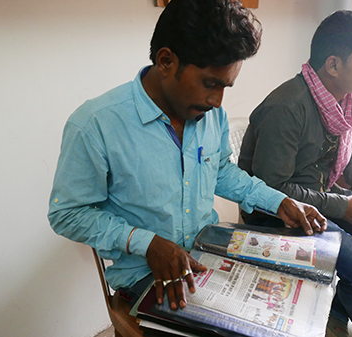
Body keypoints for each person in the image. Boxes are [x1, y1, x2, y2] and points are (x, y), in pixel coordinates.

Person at [48, 0, 327, 313]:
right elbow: (68, 214)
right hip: (144, 274)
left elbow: (220, 171)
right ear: (166, 61)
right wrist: (148, 243)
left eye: (225, 87)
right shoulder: (96, 124)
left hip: (208, 252)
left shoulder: (210, 115)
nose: (217, 101)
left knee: (291, 297)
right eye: (210, 84)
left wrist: (278, 201)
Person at [238, 10, 352, 337]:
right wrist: (344, 206)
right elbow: (272, 190)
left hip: (323, 200)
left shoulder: (347, 100)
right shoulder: (286, 108)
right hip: (281, 214)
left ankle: (338, 307)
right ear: (334, 65)